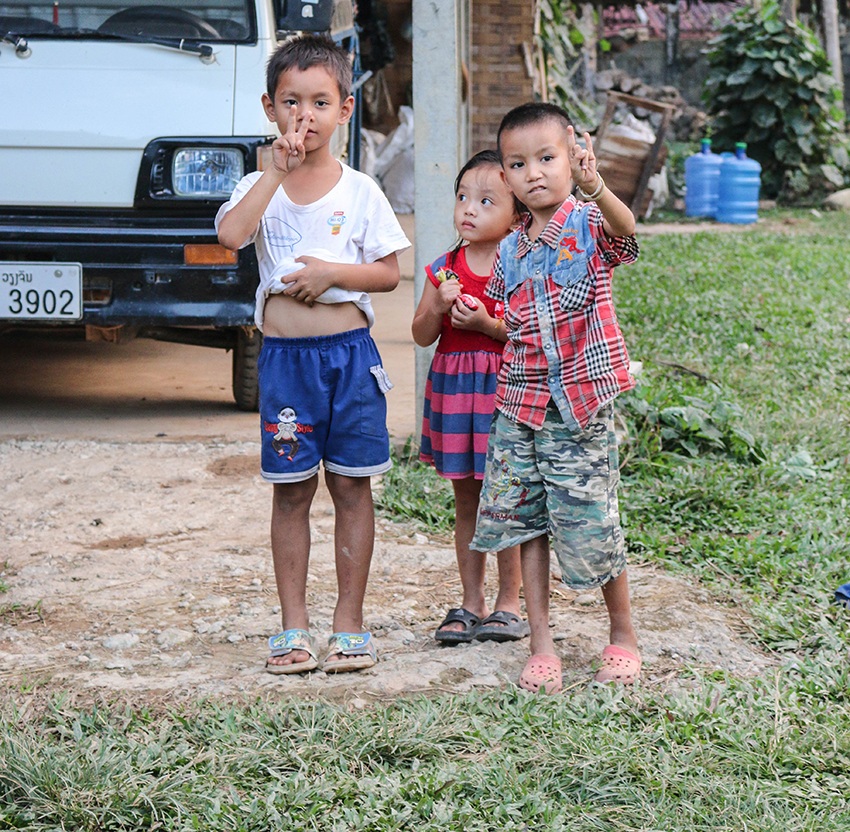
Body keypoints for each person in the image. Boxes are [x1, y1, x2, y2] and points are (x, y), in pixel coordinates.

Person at [216, 34, 410, 676]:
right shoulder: (258, 184)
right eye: (291, 101)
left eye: (320, 101)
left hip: (350, 359)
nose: (305, 115)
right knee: (291, 491)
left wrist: (333, 272)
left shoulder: (360, 190)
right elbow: (230, 235)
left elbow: (388, 272)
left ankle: (348, 624)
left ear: (345, 110)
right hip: (287, 365)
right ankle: (292, 628)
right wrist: (274, 170)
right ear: (269, 107)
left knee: (353, 487)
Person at [470, 102, 641, 694]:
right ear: (506, 176)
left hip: (580, 406)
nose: (534, 173)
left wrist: (598, 188)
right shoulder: (511, 248)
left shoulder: (588, 221)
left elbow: (626, 232)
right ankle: (542, 644)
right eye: (518, 164)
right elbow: (511, 323)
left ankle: (622, 634)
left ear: (573, 154)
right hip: (519, 410)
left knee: (594, 520)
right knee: (527, 524)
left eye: (547, 158)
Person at [412, 151, 527, 646]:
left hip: (504, 392)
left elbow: (527, 332)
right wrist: (437, 305)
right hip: (456, 393)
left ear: (517, 214)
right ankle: (472, 600)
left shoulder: (522, 265)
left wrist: (485, 324)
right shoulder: (443, 268)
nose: (469, 209)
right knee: (467, 500)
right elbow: (419, 334)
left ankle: (510, 603)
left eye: (486, 200)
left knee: (508, 500)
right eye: (463, 197)